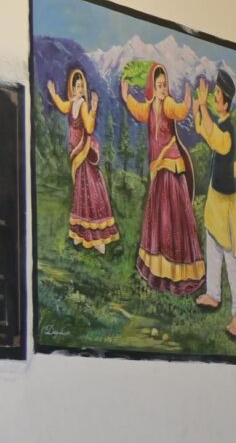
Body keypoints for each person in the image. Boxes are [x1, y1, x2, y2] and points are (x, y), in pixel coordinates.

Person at [187, 71, 236, 340]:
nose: (214, 99)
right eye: (214, 95)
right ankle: (213, 293)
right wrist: (198, 108)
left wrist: (203, 108)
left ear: (226, 103)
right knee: (212, 246)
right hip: (215, 197)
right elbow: (204, 132)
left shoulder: (228, 131)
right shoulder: (220, 124)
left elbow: (215, 138)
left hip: (226, 202)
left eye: (217, 96)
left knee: (231, 256)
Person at [124, 62, 200, 296]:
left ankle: (178, 272)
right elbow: (138, 110)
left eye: (165, 85)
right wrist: (126, 96)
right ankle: (159, 270)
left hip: (171, 166)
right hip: (159, 168)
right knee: (160, 218)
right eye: (159, 85)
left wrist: (187, 99)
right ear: (152, 87)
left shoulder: (167, 104)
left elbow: (179, 111)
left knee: (173, 217)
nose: (163, 89)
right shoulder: (150, 107)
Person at [44, 63, 118, 253]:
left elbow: (90, 128)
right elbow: (62, 106)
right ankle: (81, 233)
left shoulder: (83, 105)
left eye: (82, 86)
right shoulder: (73, 103)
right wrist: (53, 94)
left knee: (91, 188)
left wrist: (93, 107)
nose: (80, 89)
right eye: (77, 86)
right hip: (76, 151)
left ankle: (98, 236)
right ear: (72, 87)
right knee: (81, 190)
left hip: (84, 151)